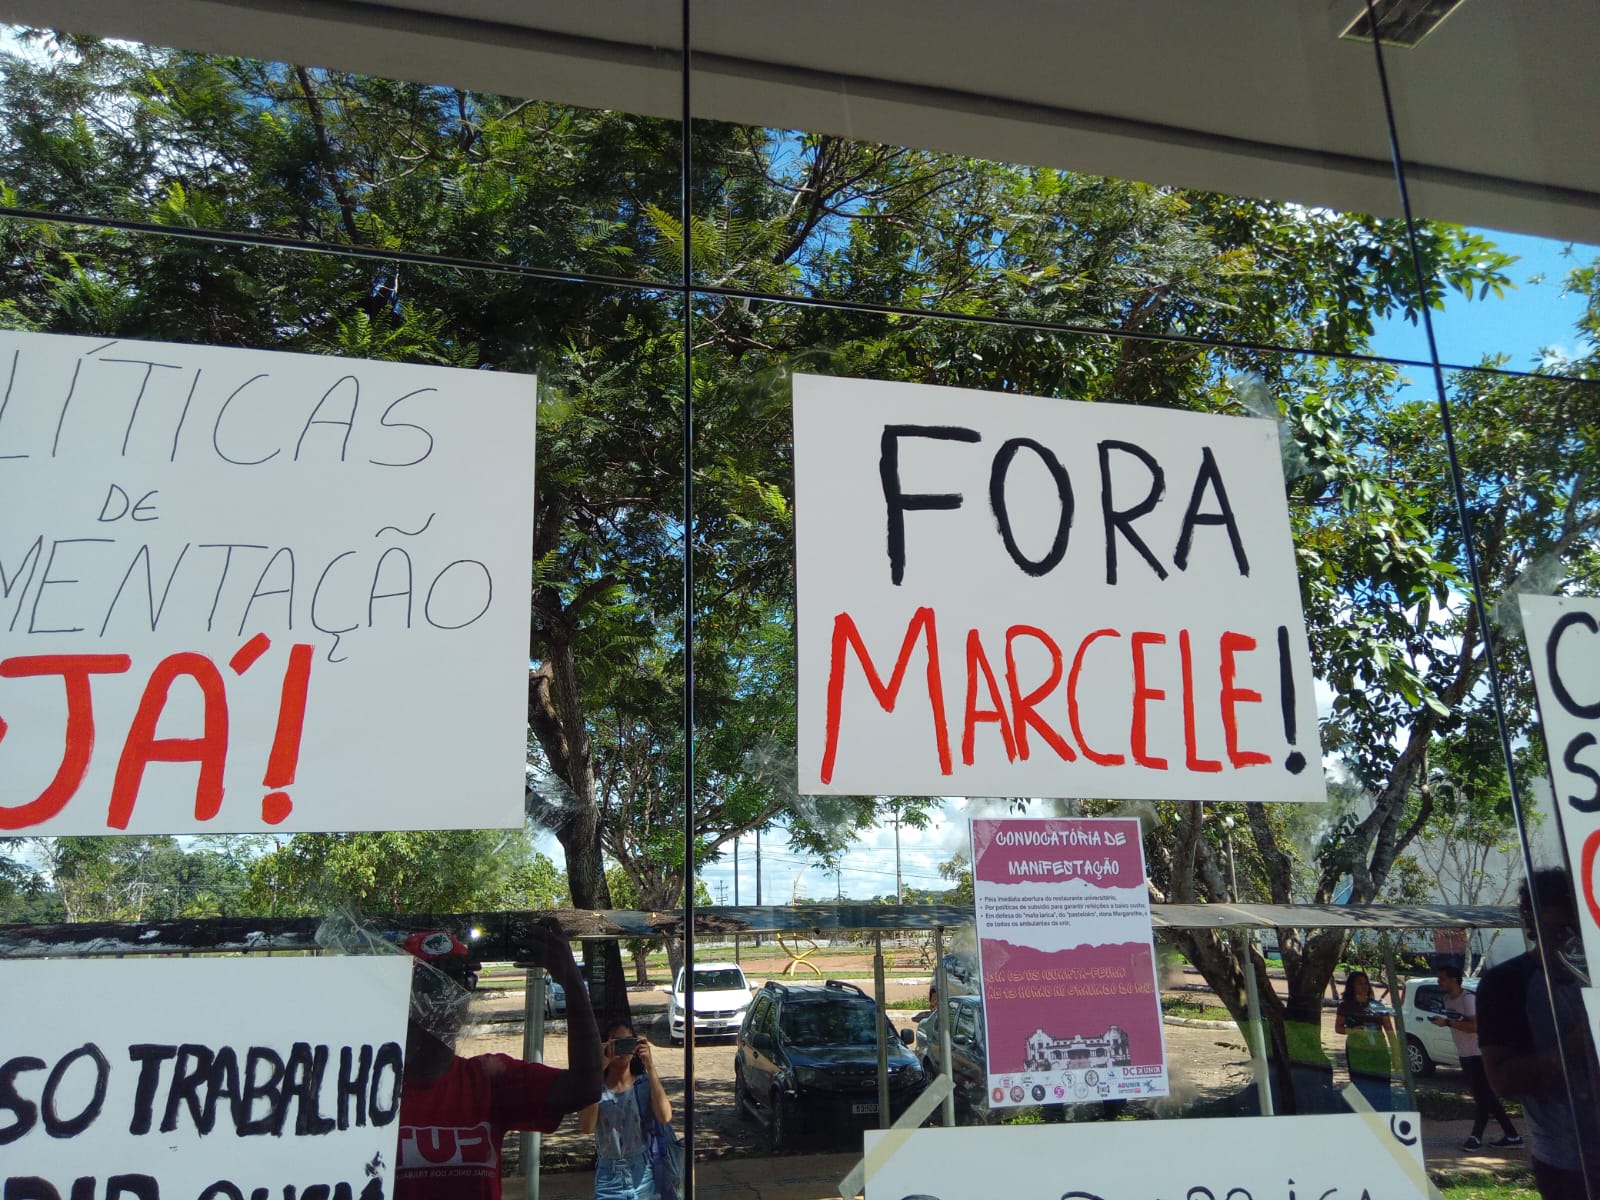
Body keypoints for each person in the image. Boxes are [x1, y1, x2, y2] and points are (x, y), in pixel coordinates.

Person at [395, 924, 603, 1200]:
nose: (448, 998)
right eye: (431, 985)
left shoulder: (488, 1080)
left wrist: (572, 979)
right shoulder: (370, 1091)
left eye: (461, 981)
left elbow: (584, 1088)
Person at [1479, 868, 1600, 1200]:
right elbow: (1502, 1080)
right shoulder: (1506, 984)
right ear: (1529, 919)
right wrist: (1577, 1045)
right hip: (1567, 1164)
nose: (1570, 940)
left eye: (1577, 929)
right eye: (1557, 931)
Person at [1428, 961, 1520, 1151]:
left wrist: (1447, 1023)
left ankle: (1476, 1137)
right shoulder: (1448, 1000)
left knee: (1483, 1096)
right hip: (1464, 1054)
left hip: (1478, 1053)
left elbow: (1476, 1027)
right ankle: (1512, 1135)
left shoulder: (1467, 999)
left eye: (1443, 979)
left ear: (1454, 980)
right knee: (1486, 1097)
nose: (1439, 982)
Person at [579, 1021, 673, 1200]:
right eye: (617, 1043)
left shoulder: (643, 1084)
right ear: (607, 1045)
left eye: (628, 1043)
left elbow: (665, 1116)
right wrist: (599, 1069)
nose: (622, 1050)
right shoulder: (598, 1089)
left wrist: (650, 1066)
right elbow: (586, 1127)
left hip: (643, 1173)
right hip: (609, 1177)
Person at [1334, 970, 1398, 1111]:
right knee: (1361, 1086)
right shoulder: (1346, 1006)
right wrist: (1353, 1030)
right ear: (1352, 986)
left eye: (1365, 983)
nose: (1364, 986)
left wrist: (1396, 1054)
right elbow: (1338, 1028)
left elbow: (1389, 1031)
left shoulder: (1377, 1006)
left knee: (1381, 1087)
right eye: (1359, 983)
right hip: (1358, 1052)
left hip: (1379, 1052)